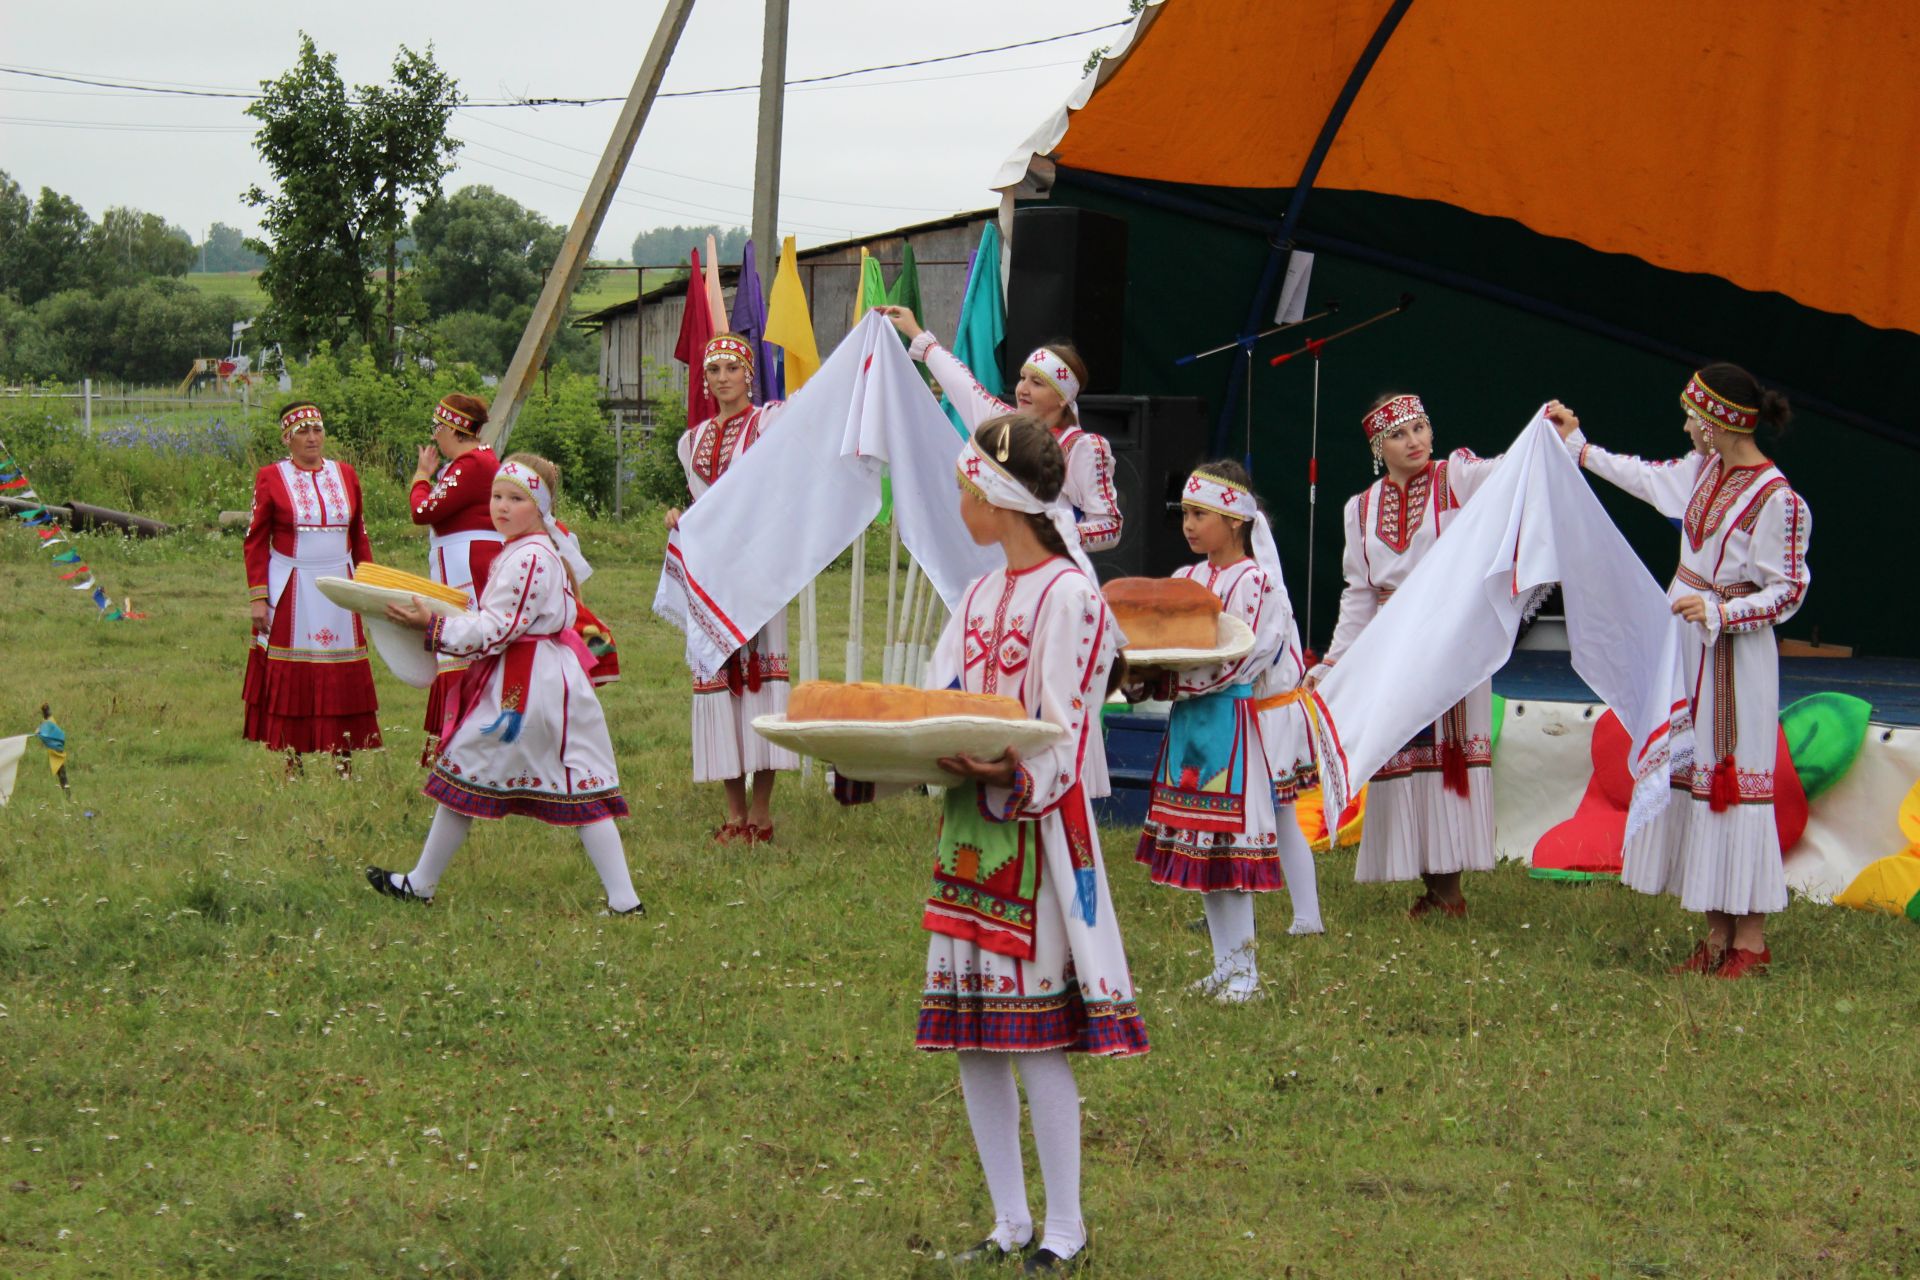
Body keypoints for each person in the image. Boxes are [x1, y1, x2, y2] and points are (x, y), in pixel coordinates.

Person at [837, 414, 1147, 1274]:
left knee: (1036, 1034)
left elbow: (1064, 733)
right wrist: (864, 761)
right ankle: (1010, 1220)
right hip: (970, 835)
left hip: (1040, 839)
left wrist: (1008, 770)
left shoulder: (1072, 597)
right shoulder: (973, 598)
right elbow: (934, 712)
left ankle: (1066, 1227)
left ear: (1001, 499)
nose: (961, 500)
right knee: (975, 1033)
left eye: (969, 488)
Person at [1549, 366, 1810, 978]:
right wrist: (1578, 445)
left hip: (1736, 657)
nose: (1687, 427)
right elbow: (1644, 477)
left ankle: (1751, 941)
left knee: (1734, 783)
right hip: (1688, 646)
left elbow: (1789, 591)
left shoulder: (1778, 500)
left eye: (1695, 417)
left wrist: (1722, 610)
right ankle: (1716, 936)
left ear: (1721, 425)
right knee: (1697, 786)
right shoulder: (1702, 472)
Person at [368, 454, 642, 916]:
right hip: (541, 680)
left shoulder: (531, 557)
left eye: (516, 498)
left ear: (540, 507)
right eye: (497, 496)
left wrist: (431, 627)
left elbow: (498, 628)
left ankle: (421, 884)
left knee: (476, 769)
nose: (502, 506)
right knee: (568, 783)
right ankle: (624, 901)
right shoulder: (526, 549)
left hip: (532, 687)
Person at [1302, 393, 1502, 916]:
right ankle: (1434, 887)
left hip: (1448, 635)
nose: (1414, 441)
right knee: (1404, 753)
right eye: (1399, 434)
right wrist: (1334, 661)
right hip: (1392, 641)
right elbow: (1359, 591)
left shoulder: (1456, 475)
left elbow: (1510, 475)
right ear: (1377, 446)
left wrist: (1548, 436)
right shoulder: (1360, 508)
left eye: (1420, 428)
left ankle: (1448, 890)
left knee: (1446, 756)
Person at [1133, 461, 1323, 1002]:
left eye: (1200, 514)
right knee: (1203, 852)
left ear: (1236, 521)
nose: (1188, 525)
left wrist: (1177, 681)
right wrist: (1145, 676)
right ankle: (1224, 965)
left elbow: (1246, 657)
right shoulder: (1185, 580)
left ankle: (1246, 974)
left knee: (1228, 850)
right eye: (1186, 514)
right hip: (1192, 726)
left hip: (1231, 728)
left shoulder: (1257, 583)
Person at [664, 333, 798, 844]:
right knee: (716, 684)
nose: (723, 378)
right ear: (705, 381)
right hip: (711, 573)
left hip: (760, 570)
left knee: (761, 683)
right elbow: (701, 503)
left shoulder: (769, 423)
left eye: (731, 368)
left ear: (749, 375)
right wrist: (681, 515)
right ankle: (734, 812)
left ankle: (761, 814)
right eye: (714, 370)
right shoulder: (691, 440)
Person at [880, 305, 1122, 553]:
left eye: (1036, 383)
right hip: (996, 565)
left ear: (1062, 398)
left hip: (1050, 572)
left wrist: (1054, 534)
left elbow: (1110, 526)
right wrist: (917, 334)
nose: (1022, 389)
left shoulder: (1082, 448)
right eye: (1022, 378)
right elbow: (962, 385)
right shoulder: (1003, 424)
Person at [241, 402, 381, 777]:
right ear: (287, 438)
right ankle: (293, 760)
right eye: (303, 431)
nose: (313, 438)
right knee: (294, 674)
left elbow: (359, 535)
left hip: (341, 587)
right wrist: (259, 596)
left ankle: (344, 759)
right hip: (294, 584)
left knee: (341, 672)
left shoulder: (346, 474)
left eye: (317, 429)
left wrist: (368, 587)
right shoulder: (271, 477)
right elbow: (255, 540)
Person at [408, 393, 504, 762]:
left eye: (438, 429)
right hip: (459, 562)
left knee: (463, 645)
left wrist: (421, 476)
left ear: (454, 429)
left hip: (469, 564)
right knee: (455, 645)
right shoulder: (470, 463)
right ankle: (454, 746)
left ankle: (465, 747)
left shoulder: (472, 465)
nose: (435, 438)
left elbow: (423, 510)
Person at [35, 703, 69, 794]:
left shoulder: (49, 722)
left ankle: (67, 792)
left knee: (61, 772)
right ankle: (66, 791)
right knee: (61, 772)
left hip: (56, 749)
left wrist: (40, 732)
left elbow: (48, 732)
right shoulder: (47, 722)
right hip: (55, 749)